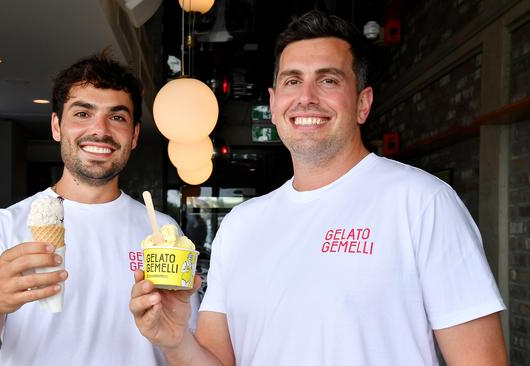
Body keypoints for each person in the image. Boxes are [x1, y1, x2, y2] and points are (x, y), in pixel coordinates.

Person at [130, 10, 507, 366]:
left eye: (328, 80)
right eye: (292, 80)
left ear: (363, 103)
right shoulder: (240, 225)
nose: (306, 96)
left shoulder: (423, 203)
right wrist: (176, 341)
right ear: (275, 105)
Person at [0, 52, 198, 365]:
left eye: (117, 117)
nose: (100, 130)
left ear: (134, 136)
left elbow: (185, 348)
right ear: (56, 126)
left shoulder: (164, 233)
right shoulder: (2, 229)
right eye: (82, 114)